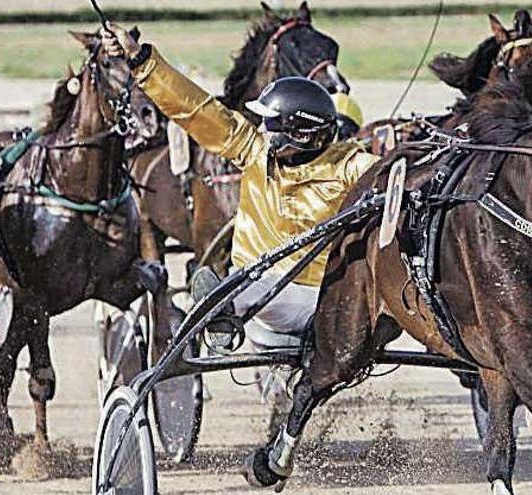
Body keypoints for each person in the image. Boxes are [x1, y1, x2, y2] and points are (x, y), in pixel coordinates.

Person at [101, 25, 381, 406]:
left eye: (269, 123)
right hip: (267, 298)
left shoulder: (351, 166)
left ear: (297, 135)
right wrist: (140, 60)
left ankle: (222, 303)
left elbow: (392, 174)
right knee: (246, 282)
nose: (260, 129)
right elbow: (196, 109)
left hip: (325, 302)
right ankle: (223, 305)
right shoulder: (254, 152)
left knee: (245, 283)